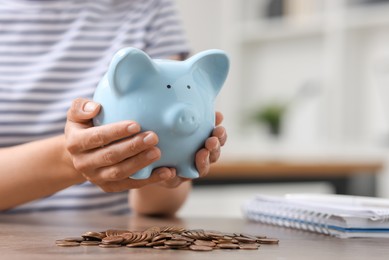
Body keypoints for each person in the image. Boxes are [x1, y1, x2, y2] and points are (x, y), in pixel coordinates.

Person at [0, 0, 227, 216]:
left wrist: (168, 167)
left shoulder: (148, 8)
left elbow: (159, 206)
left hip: (114, 239)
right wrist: (70, 157)